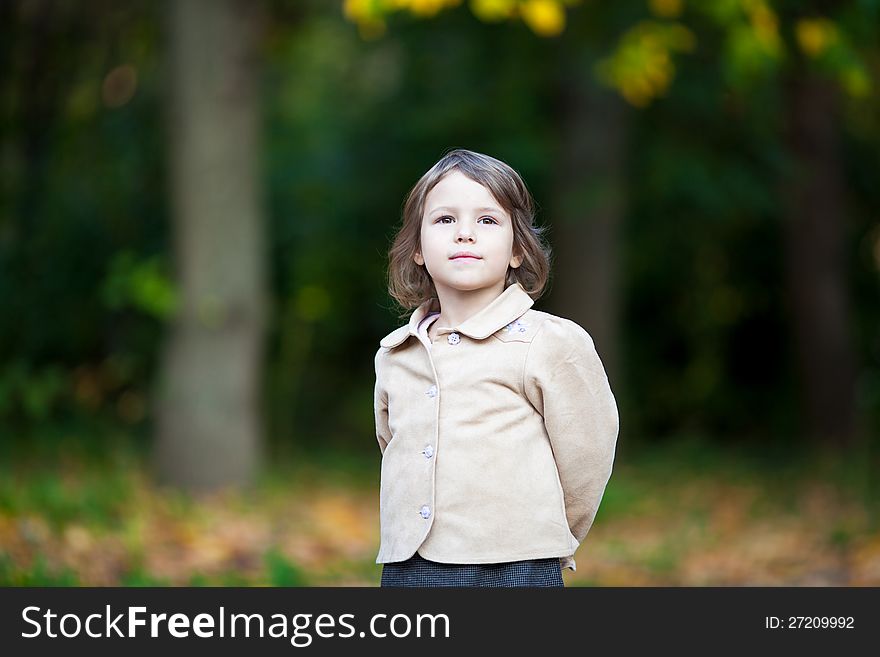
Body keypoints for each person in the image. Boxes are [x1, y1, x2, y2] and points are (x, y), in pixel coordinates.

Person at [373, 148, 619, 587]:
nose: (465, 233)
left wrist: (544, 536)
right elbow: (395, 446)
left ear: (517, 251)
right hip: (410, 567)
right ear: (417, 251)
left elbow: (587, 456)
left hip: (516, 567)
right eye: (445, 220)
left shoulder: (549, 342)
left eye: (487, 221)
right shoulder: (397, 353)